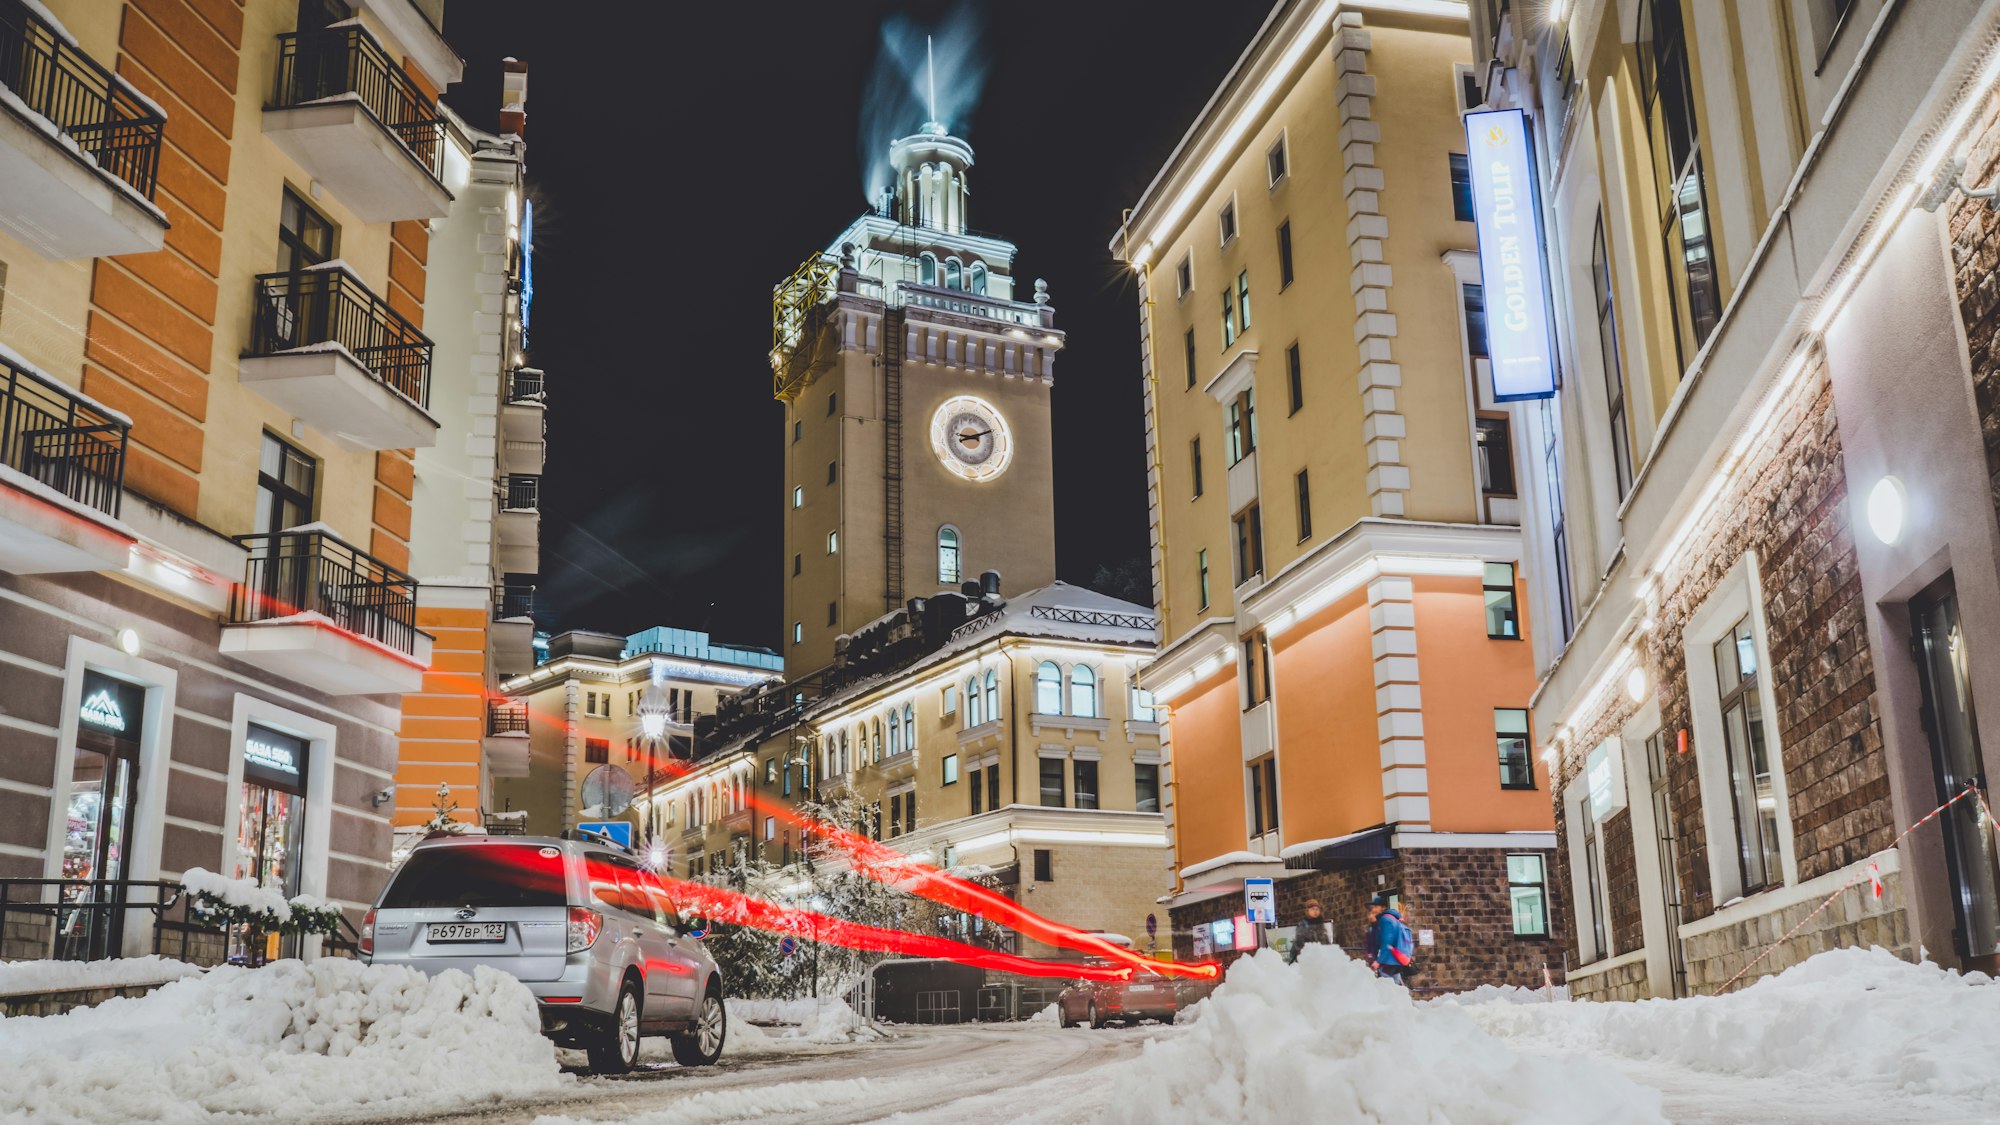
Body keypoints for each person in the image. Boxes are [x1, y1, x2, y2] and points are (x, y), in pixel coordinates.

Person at [1364, 892, 1415, 985]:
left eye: (1376, 906)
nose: (1373, 908)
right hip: (1394, 960)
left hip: (1389, 961)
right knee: (1395, 986)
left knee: (1388, 987)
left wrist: (1378, 961)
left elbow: (1387, 943)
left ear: (1383, 907)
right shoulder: (1390, 919)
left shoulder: (1385, 920)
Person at [1288, 899, 1330, 964]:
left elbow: (1325, 939)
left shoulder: (1321, 923)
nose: (1315, 911)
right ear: (1307, 911)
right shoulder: (1303, 924)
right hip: (1308, 957)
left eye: (1317, 909)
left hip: (1321, 957)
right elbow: (1300, 942)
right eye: (1312, 909)